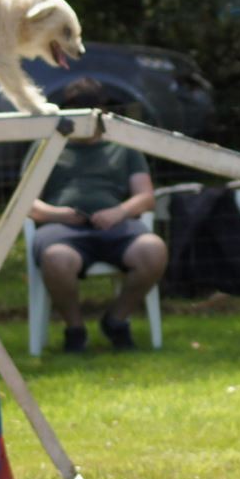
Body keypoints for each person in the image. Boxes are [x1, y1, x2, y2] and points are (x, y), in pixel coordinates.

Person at [28, 78, 167, 352]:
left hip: (117, 228)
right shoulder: (47, 147)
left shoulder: (123, 147)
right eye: (76, 110)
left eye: (89, 110)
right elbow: (26, 203)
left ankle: (116, 320)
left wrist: (119, 212)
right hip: (62, 232)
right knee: (56, 259)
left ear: (101, 111)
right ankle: (75, 330)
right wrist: (59, 215)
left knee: (154, 250)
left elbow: (146, 197)